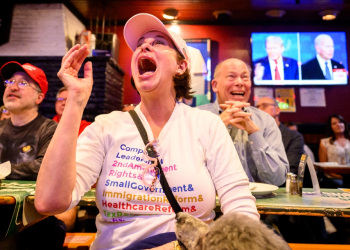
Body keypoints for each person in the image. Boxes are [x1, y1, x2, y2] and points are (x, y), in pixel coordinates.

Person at [34, 13, 259, 250]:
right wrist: (75, 102)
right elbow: (50, 202)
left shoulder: (207, 125)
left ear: (181, 66)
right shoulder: (106, 126)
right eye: (140, 45)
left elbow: (240, 206)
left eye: (158, 43)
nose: (144, 47)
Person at [0, 62, 67, 249]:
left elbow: (44, 168)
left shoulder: (50, 129)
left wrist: (2, 170)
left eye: (23, 83)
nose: (12, 86)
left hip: (33, 221)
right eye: (10, 81)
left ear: (39, 97)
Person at [198, 58, 288, 186]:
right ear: (215, 85)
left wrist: (254, 133)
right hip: (209, 202)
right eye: (231, 77)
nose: (240, 82)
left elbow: (278, 179)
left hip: (258, 202)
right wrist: (216, 126)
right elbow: (183, 169)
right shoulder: (195, 117)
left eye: (245, 78)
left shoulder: (266, 121)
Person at [256, 97, 304, 175]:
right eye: (257, 107)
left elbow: (290, 169)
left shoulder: (294, 137)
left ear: (277, 110)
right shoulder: (254, 134)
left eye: (264, 105)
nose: (259, 110)